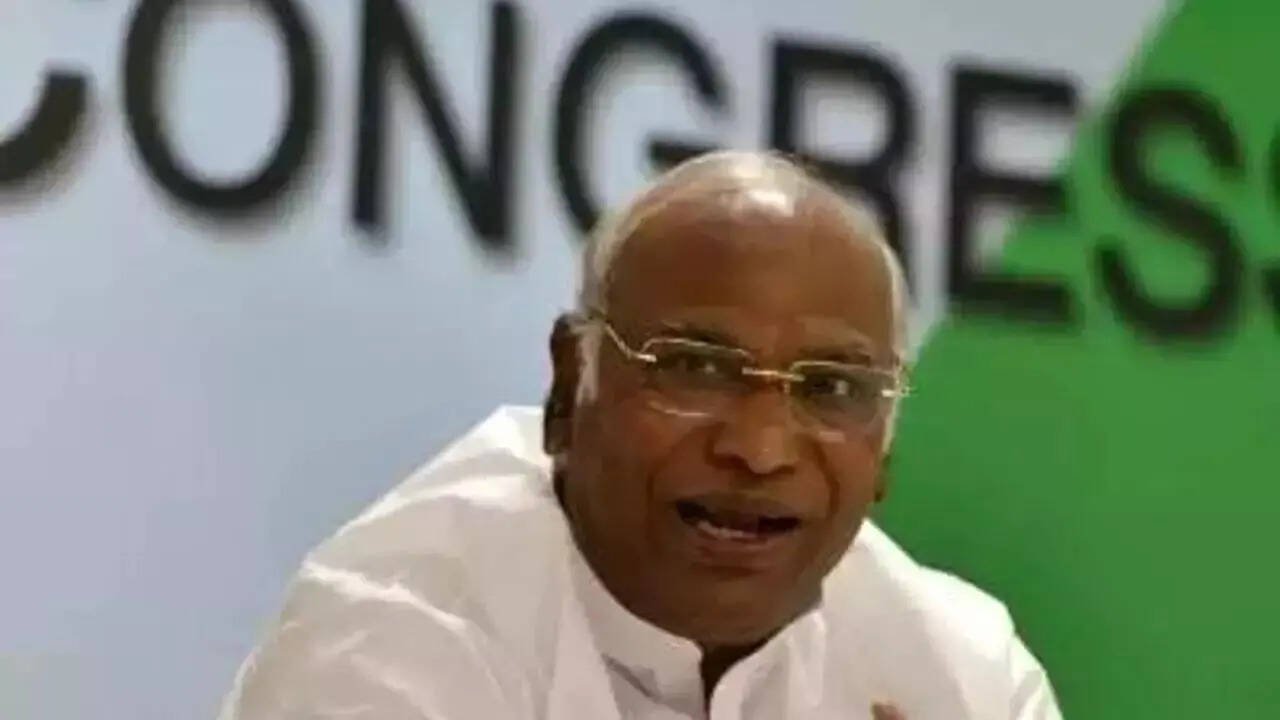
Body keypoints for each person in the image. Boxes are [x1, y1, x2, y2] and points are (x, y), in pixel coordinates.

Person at [218, 151, 1062, 719]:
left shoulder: (962, 674)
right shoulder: (388, 646)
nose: (761, 448)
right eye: (697, 368)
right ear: (567, 387)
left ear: (884, 452)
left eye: (833, 389)